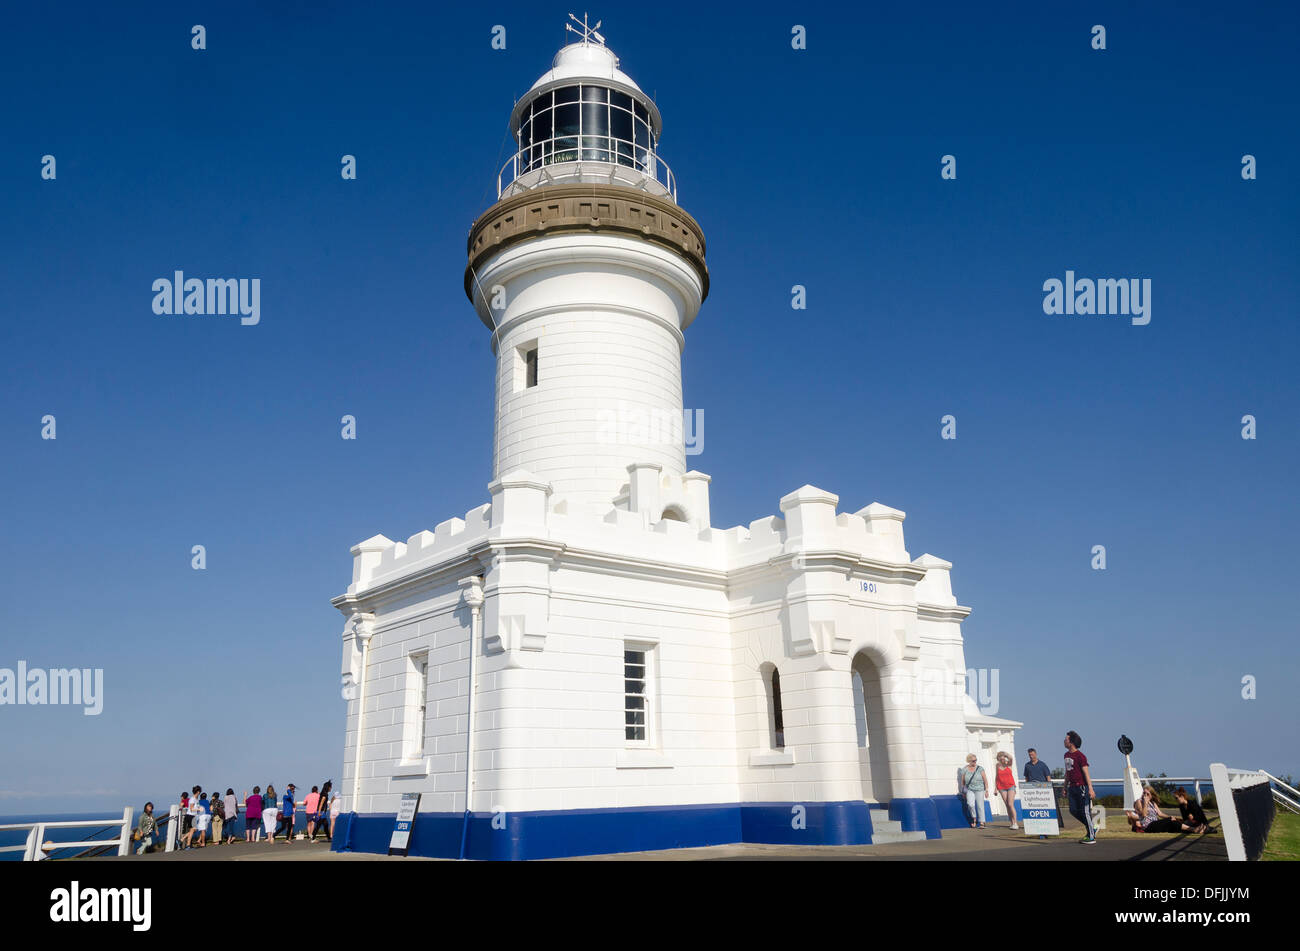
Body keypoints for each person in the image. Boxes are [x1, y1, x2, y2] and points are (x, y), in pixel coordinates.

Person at [1063, 731, 1097, 844]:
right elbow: (1067, 772)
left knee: (1085, 812)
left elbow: (1086, 773)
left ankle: (1091, 836)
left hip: (1082, 787)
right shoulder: (1066, 755)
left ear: (1071, 742)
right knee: (1073, 810)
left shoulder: (1080, 756)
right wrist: (1064, 787)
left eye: (1066, 739)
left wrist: (1090, 788)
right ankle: (1092, 827)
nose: (1064, 740)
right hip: (1072, 787)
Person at [957, 753, 990, 829]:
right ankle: (974, 818)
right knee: (970, 804)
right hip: (970, 789)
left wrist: (986, 790)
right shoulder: (964, 769)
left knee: (980, 805)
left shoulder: (980, 768)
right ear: (969, 761)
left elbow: (985, 780)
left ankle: (982, 822)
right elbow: (963, 782)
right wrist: (963, 792)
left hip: (980, 789)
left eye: (976, 760)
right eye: (973, 761)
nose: (975, 762)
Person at [994, 751, 1019, 830]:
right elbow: (997, 777)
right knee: (1007, 805)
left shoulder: (1009, 764)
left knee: (1010, 804)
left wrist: (1005, 754)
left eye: (1003, 757)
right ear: (998, 759)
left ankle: (1015, 823)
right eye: (1000, 757)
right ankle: (1011, 823)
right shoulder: (997, 765)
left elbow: (1011, 758)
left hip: (1010, 786)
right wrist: (996, 788)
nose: (1002, 759)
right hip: (1001, 787)